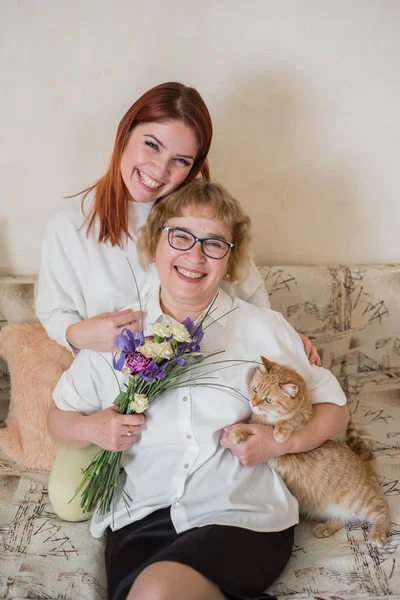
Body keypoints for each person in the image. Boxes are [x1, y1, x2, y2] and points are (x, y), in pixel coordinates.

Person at [47, 181, 349, 600]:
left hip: (239, 513)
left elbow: (336, 408)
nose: (195, 255)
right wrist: (93, 430)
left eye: (214, 244)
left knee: (155, 592)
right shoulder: (119, 333)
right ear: (155, 243)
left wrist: (281, 443)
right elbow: (58, 418)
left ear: (230, 260)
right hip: (140, 515)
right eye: (181, 236)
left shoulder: (263, 328)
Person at [36, 81, 320, 364]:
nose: (160, 170)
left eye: (181, 160)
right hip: (116, 388)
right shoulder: (69, 225)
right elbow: (54, 313)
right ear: (125, 135)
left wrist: (280, 340)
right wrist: (76, 335)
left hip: (203, 381)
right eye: (151, 145)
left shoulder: (204, 218)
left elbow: (251, 294)